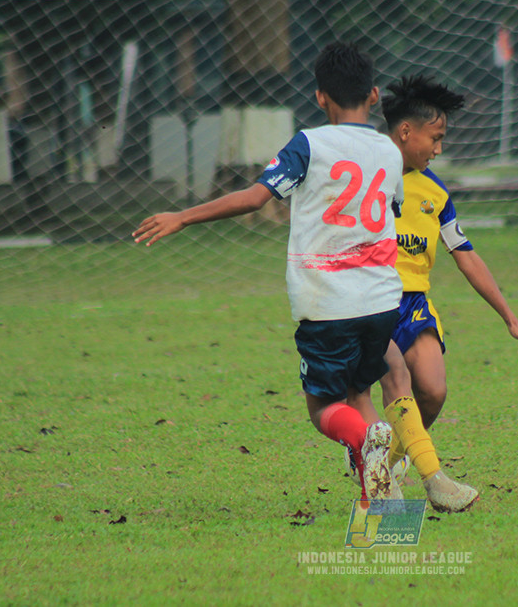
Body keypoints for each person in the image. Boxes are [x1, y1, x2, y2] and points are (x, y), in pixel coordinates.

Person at [133, 43, 475, 512]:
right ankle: (405, 489)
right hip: (379, 302)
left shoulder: (309, 145)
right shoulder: (386, 152)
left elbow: (256, 198)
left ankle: (370, 443)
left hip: (325, 304)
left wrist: (184, 216)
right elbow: (390, 212)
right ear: (374, 95)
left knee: (326, 409)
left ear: (320, 98)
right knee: (385, 373)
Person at [380, 74, 518, 469]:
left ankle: (389, 461)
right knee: (393, 384)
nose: (439, 149)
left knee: (433, 392)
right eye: (435, 138)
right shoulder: (367, 178)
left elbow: (465, 254)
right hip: (368, 300)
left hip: (413, 303)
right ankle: (382, 477)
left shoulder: (434, 193)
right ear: (405, 132)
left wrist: (511, 319)